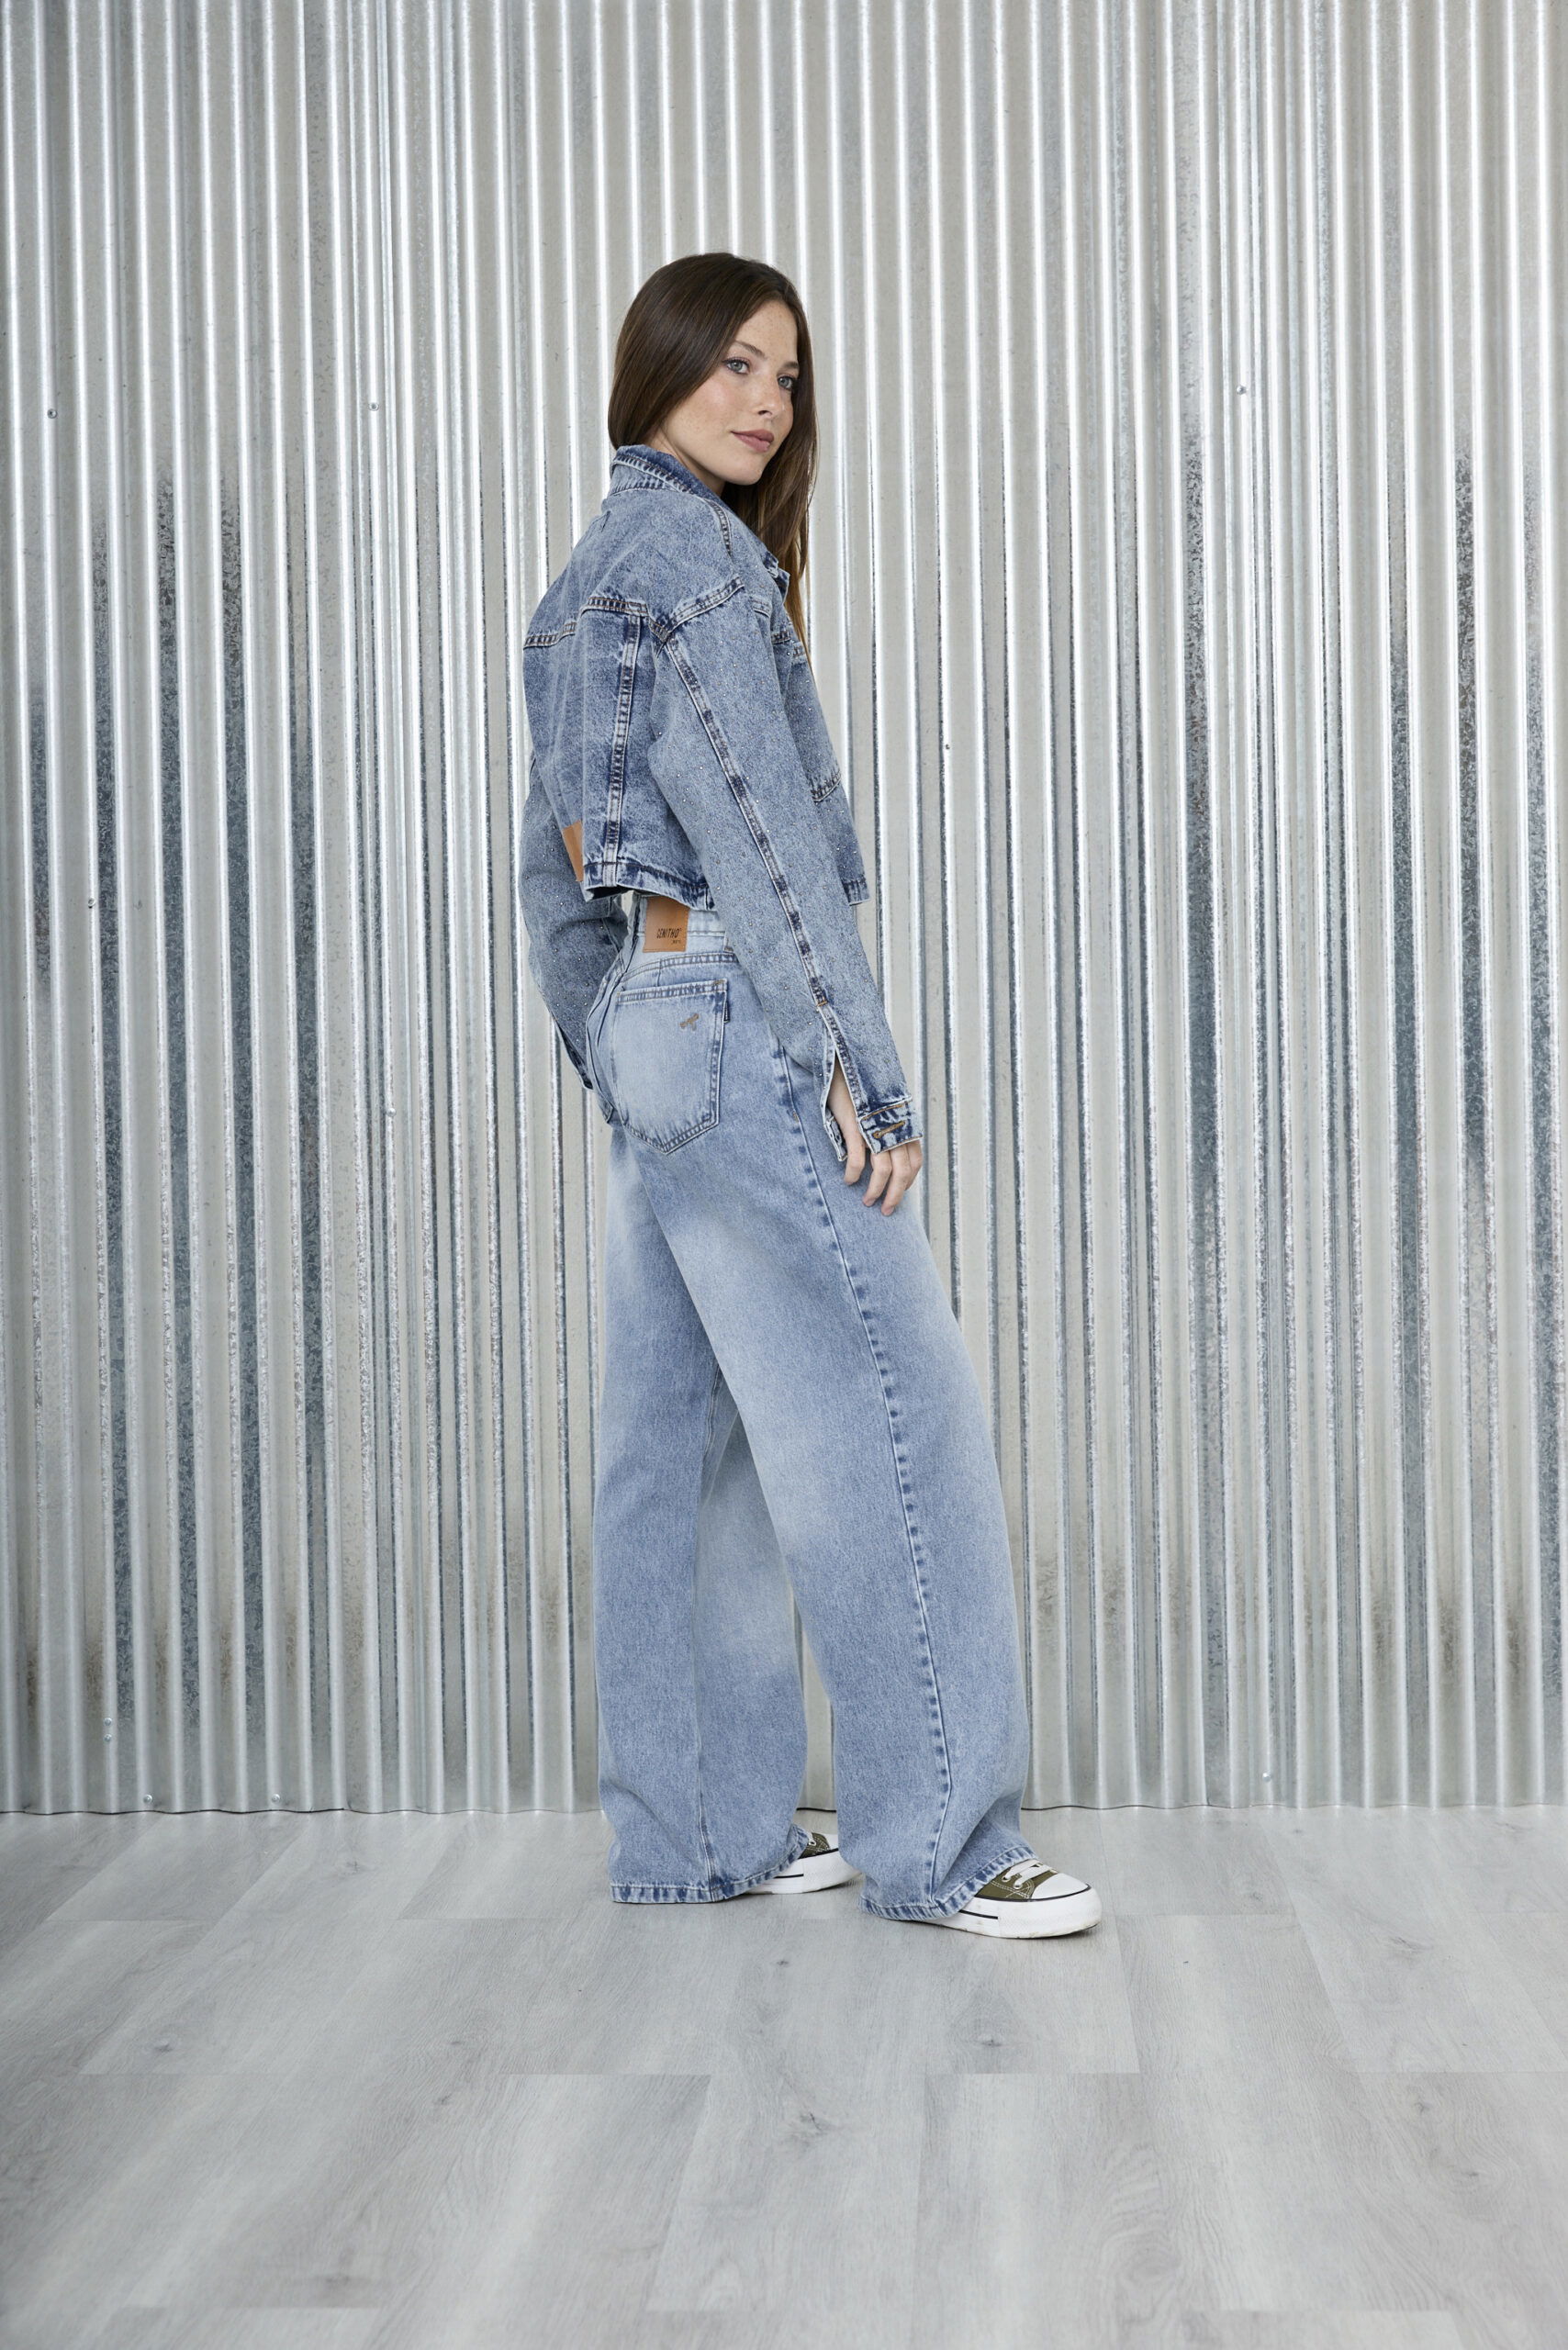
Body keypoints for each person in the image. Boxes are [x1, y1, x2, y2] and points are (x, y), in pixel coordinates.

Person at [518, 252, 1100, 1941]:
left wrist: (620, 1041)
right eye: (734, 365)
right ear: (657, 371)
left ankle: (706, 1831)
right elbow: (766, 842)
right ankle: (949, 1845)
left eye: (787, 374)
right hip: (737, 1011)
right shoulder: (697, 566)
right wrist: (862, 1072)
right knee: (888, 1416)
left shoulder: (581, 584)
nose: (767, 400)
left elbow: (552, 878)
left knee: (684, 1445)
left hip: (655, 1023)